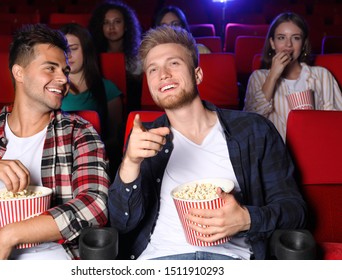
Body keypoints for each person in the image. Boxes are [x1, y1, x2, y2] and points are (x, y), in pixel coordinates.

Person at [108, 26, 307, 260]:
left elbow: (295, 210)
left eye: (173, 63)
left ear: (198, 74)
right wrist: (131, 163)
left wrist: (246, 218)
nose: (162, 74)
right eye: (152, 69)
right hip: (160, 260)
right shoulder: (144, 138)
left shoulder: (254, 130)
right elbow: (122, 224)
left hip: (232, 260)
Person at [0, 24, 110, 260]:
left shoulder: (79, 133)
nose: (63, 79)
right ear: (19, 73)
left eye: (65, 71)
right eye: (50, 68)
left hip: (52, 261)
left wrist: (10, 234)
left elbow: (95, 206)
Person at [244, 12, 342, 141]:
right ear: (272, 43)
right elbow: (251, 119)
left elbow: (336, 120)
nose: (288, 45)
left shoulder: (322, 75)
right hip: (275, 153)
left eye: (296, 38)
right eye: (281, 38)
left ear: (303, 44)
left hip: (315, 146)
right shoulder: (258, 77)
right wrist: (272, 76)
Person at [60, 23, 123, 180]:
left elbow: (115, 138)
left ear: (86, 50)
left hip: (97, 162)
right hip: (60, 162)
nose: (68, 54)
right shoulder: (52, 90)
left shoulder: (107, 89)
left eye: (73, 48)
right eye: (64, 49)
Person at [88, 0, 143, 113]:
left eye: (117, 22)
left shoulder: (139, 55)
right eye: (106, 22)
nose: (111, 27)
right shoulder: (93, 55)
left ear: (126, 25)